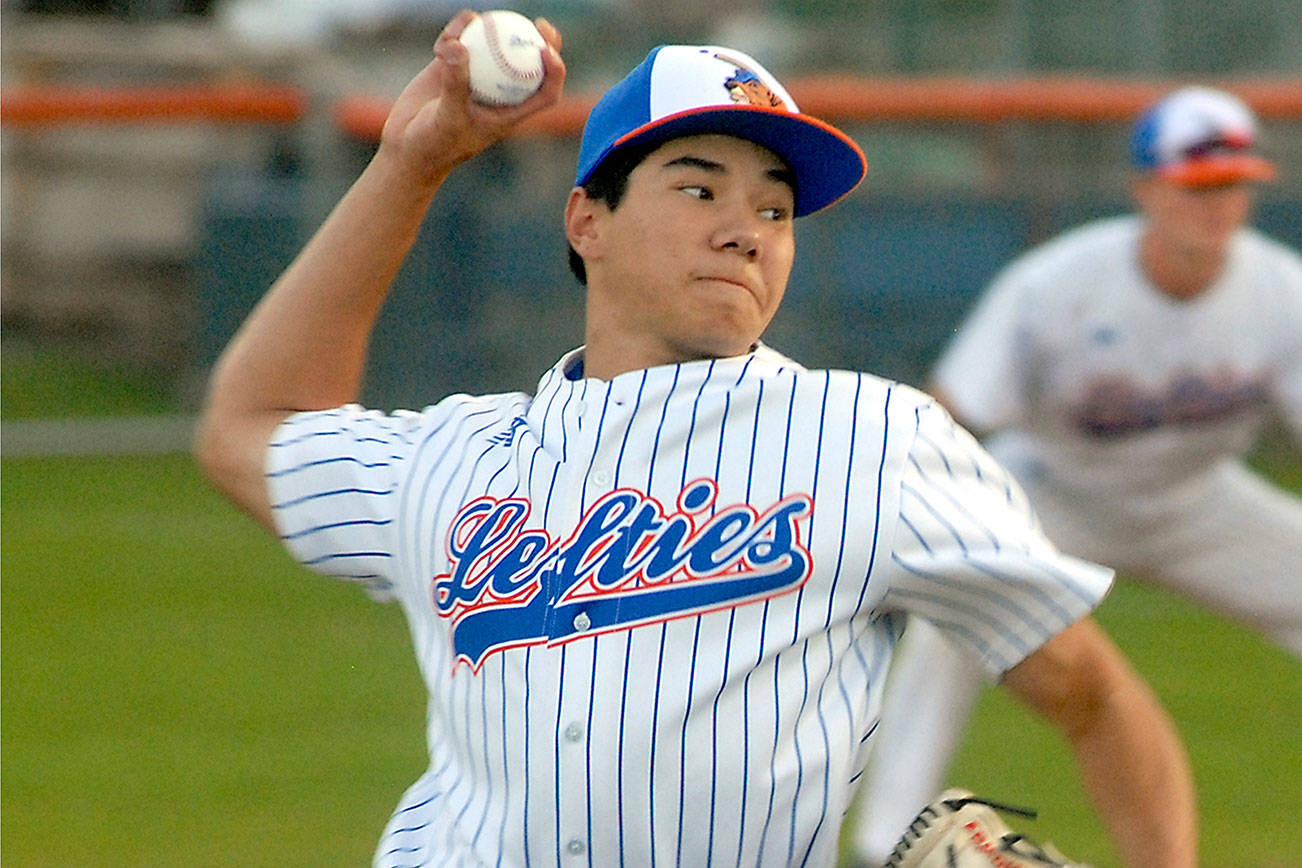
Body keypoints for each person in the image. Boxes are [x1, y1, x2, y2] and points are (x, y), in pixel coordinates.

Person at [194, 13, 1197, 866]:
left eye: (774, 205)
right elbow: (251, 425)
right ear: (588, 219)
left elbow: (1093, 695)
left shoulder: (872, 443)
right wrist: (412, 162)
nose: (746, 228)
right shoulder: (458, 458)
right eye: (698, 186)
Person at [851, 84, 1301, 864]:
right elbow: (950, 412)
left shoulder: (1280, 290)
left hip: (1197, 498)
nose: (1217, 203)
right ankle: (884, 840)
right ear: (1146, 189)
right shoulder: (1055, 284)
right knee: (948, 618)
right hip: (1051, 491)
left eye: (1232, 184)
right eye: (1197, 184)